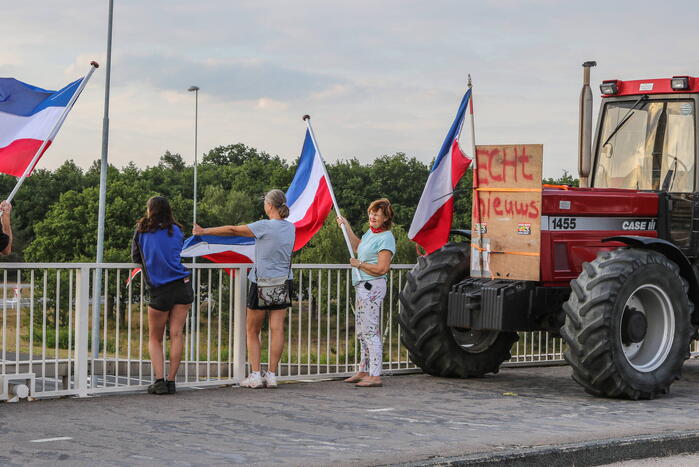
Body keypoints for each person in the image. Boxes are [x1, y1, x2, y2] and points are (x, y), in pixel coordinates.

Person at [193, 189, 295, 389]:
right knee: (277, 329)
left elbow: (233, 230)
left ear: (269, 206)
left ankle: (256, 375)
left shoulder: (264, 225)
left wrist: (204, 231)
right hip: (283, 281)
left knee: (252, 330)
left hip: (261, 282)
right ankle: (272, 375)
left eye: (265, 202)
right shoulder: (290, 227)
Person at [132, 196, 193, 395]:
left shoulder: (142, 231)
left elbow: (136, 257)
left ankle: (159, 381)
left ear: (150, 210)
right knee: (176, 335)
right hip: (182, 286)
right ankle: (172, 381)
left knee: (155, 338)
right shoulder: (176, 230)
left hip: (160, 289)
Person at [336, 198, 395, 387]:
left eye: (377, 214)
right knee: (362, 331)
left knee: (370, 331)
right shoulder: (371, 234)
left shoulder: (386, 238)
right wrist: (346, 227)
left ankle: (375, 374)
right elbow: (357, 246)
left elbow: (382, 268)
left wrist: (359, 264)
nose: (372, 216)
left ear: (386, 218)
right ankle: (364, 369)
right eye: (371, 213)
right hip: (362, 286)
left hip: (372, 287)